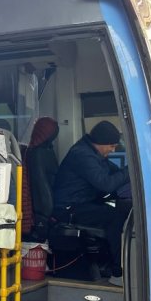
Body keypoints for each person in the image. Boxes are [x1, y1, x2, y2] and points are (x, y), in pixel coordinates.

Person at [53, 120, 131, 285]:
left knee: (122, 209)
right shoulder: (82, 155)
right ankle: (118, 270)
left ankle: (114, 262)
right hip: (68, 209)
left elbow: (113, 173)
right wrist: (130, 171)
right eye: (111, 146)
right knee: (114, 216)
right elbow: (106, 184)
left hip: (82, 204)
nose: (113, 150)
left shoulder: (93, 153)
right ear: (101, 143)